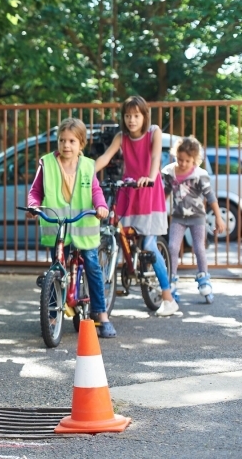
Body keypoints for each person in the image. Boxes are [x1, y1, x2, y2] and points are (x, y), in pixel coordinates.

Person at [27, 118, 115, 337]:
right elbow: (36, 191)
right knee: (56, 269)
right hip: (58, 228)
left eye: (72, 141)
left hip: (83, 225)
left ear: (81, 144)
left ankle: (101, 315)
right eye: (62, 140)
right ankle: (52, 315)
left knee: (93, 266)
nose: (66, 145)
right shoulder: (46, 163)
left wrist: (101, 206)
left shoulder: (87, 166)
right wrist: (33, 205)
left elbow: (95, 191)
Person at [95, 96, 177, 316]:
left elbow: (155, 159)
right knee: (117, 233)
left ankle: (168, 297)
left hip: (149, 191)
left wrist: (150, 178)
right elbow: (105, 158)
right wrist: (86, 173)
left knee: (149, 245)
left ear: (144, 116)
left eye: (136, 115)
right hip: (129, 190)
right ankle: (126, 268)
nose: (132, 120)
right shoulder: (121, 137)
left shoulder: (154, 132)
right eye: (128, 116)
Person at [161, 136, 226, 304]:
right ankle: (172, 281)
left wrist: (218, 217)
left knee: (199, 248)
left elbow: (210, 197)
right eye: (179, 159)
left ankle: (204, 280)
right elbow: (165, 192)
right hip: (178, 217)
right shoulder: (170, 172)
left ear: (194, 160)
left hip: (197, 217)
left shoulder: (199, 175)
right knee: (173, 247)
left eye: (187, 161)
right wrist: (159, 209)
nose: (182, 163)